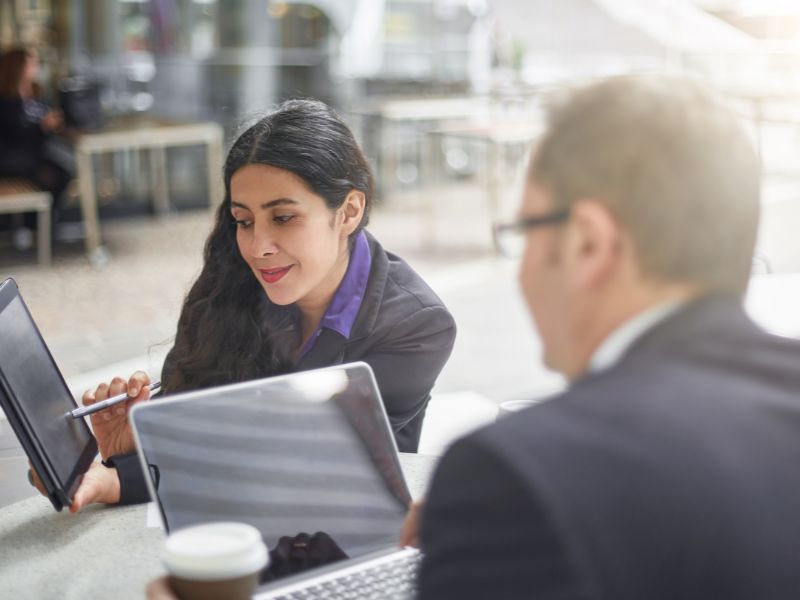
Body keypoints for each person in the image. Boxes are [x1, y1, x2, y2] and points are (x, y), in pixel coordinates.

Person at [412, 75, 800, 599]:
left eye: (525, 233)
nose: (523, 271)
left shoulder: (514, 479)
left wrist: (476, 528)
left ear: (589, 245)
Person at [30, 99, 456, 511]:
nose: (257, 247)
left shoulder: (416, 326)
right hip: (226, 520)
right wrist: (123, 449)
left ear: (348, 211)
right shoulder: (231, 280)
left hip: (340, 534)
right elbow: (200, 421)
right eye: (244, 220)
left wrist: (128, 475)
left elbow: (289, 456)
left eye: (283, 218)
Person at [0, 47, 73, 243]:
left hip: (32, 156)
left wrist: (51, 122)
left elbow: (43, 116)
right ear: (19, 67)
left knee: (64, 171)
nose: (35, 67)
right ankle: (34, 225)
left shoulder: (33, 93)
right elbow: (15, 131)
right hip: (12, 159)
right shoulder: (6, 99)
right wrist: (40, 126)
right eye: (31, 62)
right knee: (55, 176)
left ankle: (39, 225)